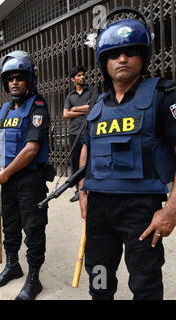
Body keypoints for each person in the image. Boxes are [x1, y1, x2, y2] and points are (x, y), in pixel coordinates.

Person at [79, 13, 176, 300]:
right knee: (99, 278)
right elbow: (88, 146)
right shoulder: (96, 104)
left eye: (131, 52)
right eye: (114, 54)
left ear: (142, 57)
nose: (122, 59)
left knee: (145, 283)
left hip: (141, 208)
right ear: (104, 61)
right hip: (99, 209)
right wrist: (82, 189)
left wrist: (170, 210)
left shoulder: (164, 95)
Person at [0, 51, 52, 300]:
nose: (14, 82)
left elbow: (31, 149)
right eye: (10, 78)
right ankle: (13, 265)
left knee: (33, 228)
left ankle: (34, 278)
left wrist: (6, 173)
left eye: (19, 78)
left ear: (29, 79)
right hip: (7, 179)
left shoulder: (39, 106)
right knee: (9, 225)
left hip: (30, 180)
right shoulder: (5, 110)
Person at [63, 65, 98, 202]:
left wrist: (76, 108)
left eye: (83, 74)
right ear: (73, 79)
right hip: (74, 132)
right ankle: (79, 190)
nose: (82, 77)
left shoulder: (92, 90)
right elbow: (65, 114)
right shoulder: (70, 96)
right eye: (78, 75)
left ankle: (93, 189)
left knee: (92, 160)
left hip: (90, 131)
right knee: (76, 162)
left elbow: (94, 106)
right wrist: (85, 110)